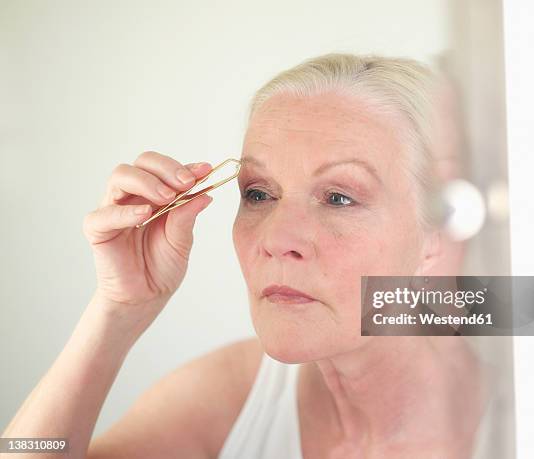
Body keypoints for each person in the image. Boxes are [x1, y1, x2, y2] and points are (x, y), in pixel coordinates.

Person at [2, 53, 492, 458]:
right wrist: (116, 311)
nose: (277, 238)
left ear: (438, 234)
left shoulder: (530, 391)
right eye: (259, 194)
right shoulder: (233, 393)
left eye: (339, 198)